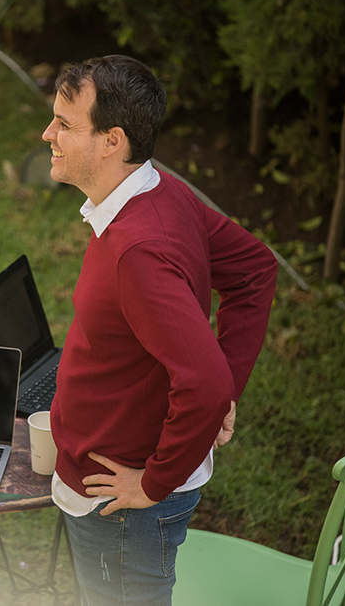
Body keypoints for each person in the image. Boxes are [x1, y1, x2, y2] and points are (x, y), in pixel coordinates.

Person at [41, 55, 277, 605]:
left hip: (120, 502)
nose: (48, 134)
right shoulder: (160, 193)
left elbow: (206, 383)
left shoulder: (137, 249)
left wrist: (152, 482)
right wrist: (221, 390)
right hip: (112, 468)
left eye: (66, 125)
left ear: (111, 141)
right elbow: (256, 269)